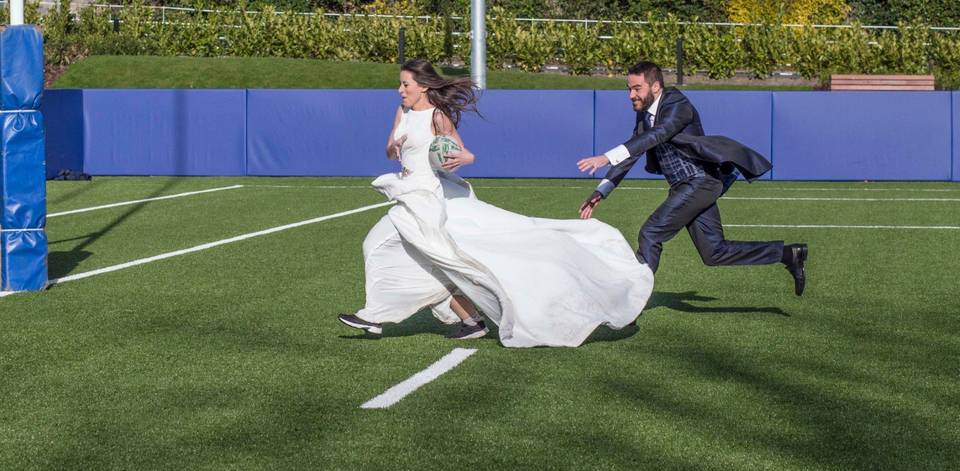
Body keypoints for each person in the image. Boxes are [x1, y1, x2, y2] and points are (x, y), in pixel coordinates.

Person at [338, 59, 654, 348]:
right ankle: (468, 321)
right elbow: (391, 151)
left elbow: (466, 154)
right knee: (438, 262)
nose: (400, 89)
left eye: (405, 84)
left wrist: (457, 159)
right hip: (407, 190)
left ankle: (374, 316)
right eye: (400, 84)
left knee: (378, 244)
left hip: (426, 197)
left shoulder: (437, 115)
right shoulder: (402, 112)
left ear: (422, 85)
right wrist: (394, 145)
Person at [576, 61, 808, 296]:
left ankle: (632, 300)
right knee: (714, 253)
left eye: (637, 88)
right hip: (686, 187)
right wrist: (602, 191)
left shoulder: (678, 104)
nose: (630, 95)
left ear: (655, 87)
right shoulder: (644, 115)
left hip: (701, 182)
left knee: (651, 232)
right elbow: (633, 151)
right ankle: (790, 254)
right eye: (628, 89)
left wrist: (605, 156)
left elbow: (658, 134)